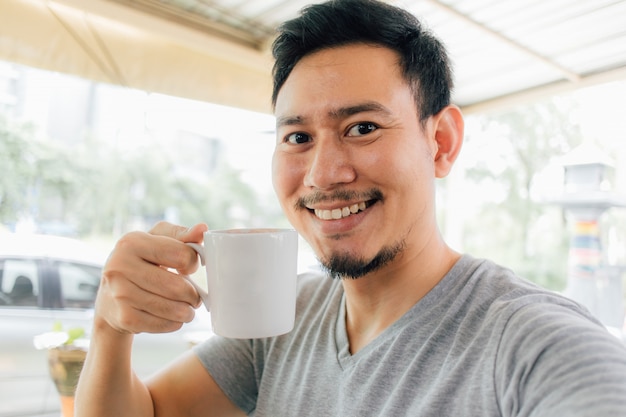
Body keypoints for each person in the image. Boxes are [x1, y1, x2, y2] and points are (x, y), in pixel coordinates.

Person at [75, 0, 626, 415]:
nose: (322, 175)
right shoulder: (282, 320)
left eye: (362, 128)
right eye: (297, 138)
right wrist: (110, 326)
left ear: (441, 143)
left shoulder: (537, 346)